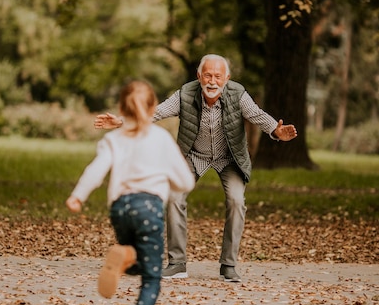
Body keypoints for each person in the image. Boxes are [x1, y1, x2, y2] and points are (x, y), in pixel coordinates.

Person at [94, 54, 297, 284]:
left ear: (226, 78)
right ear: (199, 75)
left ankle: (228, 265)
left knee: (236, 201)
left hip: (229, 158)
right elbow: (156, 113)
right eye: (208, 75)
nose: (212, 81)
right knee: (174, 198)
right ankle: (177, 263)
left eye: (218, 76)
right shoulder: (185, 94)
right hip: (193, 155)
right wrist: (122, 122)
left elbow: (257, 116)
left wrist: (276, 131)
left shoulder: (238, 94)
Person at [66, 80, 195, 305]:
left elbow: (96, 170)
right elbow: (185, 180)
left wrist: (78, 196)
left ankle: (125, 254)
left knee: (137, 262)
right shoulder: (160, 139)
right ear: (152, 108)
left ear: (121, 109)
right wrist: (169, 181)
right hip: (148, 209)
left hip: (120, 209)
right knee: (151, 278)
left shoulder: (114, 139)